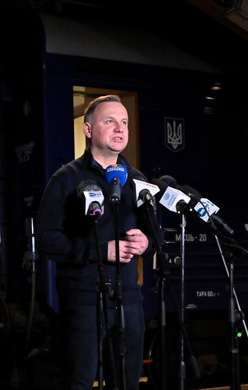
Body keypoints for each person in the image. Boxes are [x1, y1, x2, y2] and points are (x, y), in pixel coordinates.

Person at [37, 95, 152, 390]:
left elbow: (155, 236)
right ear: (88, 130)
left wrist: (145, 243)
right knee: (79, 379)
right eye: (109, 121)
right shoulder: (66, 179)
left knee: (126, 382)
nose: (120, 129)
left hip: (128, 298)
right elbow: (47, 240)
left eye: (124, 122)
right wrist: (102, 251)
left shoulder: (137, 180)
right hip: (83, 297)